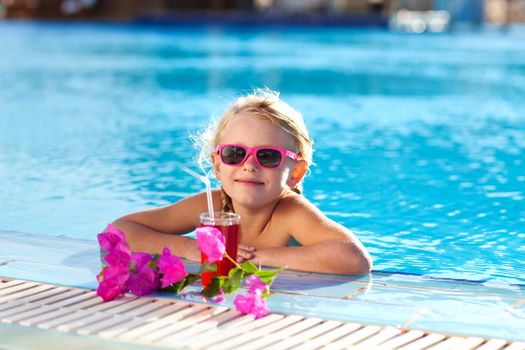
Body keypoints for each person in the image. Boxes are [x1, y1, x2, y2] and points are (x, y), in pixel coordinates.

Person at [112, 89, 372, 275]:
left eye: (268, 156)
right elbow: (117, 232)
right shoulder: (212, 206)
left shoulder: (290, 213)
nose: (249, 165)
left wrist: (256, 258)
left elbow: (354, 259)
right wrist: (192, 249)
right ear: (217, 165)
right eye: (234, 154)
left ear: (296, 173)